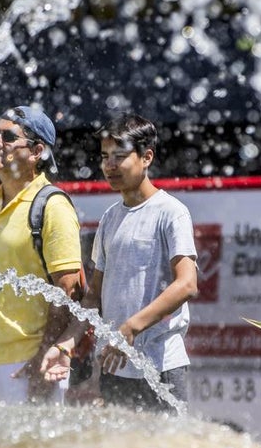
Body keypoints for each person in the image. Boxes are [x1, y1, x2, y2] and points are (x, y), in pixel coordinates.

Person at [41, 113, 198, 411]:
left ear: (146, 157)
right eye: (104, 157)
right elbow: (93, 298)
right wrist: (66, 345)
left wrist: (130, 328)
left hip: (161, 367)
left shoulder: (171, 213)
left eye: (120, 156)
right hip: (116, 367)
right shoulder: (110, 218)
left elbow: (187, 284)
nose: (109, 165)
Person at [0, 105, 83, 404]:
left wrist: (44, 355)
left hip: (30, 364)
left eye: (8, 137)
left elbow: (67, 292)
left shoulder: (52, 206)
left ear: (37, 151)